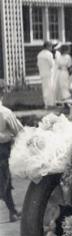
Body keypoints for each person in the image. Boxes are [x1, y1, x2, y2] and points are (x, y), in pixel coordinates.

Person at [0, 81, 23, 222]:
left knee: (4, 181)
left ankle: (13, 211)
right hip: (2, 150)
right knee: (4, 181)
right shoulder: (5, 113)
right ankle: (13, 211)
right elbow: (19, 130)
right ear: (2, 92)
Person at [36, 41, 55, 108]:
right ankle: (50, 103)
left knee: (45, 89)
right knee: (50, 88)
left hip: (42, 73)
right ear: (48, 46)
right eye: (51, 46)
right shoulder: (49, 54)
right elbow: (52, 64)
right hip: (49, 73)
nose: (51, 48)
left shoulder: (39, 54)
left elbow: (38, 64)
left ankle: (46, 103)